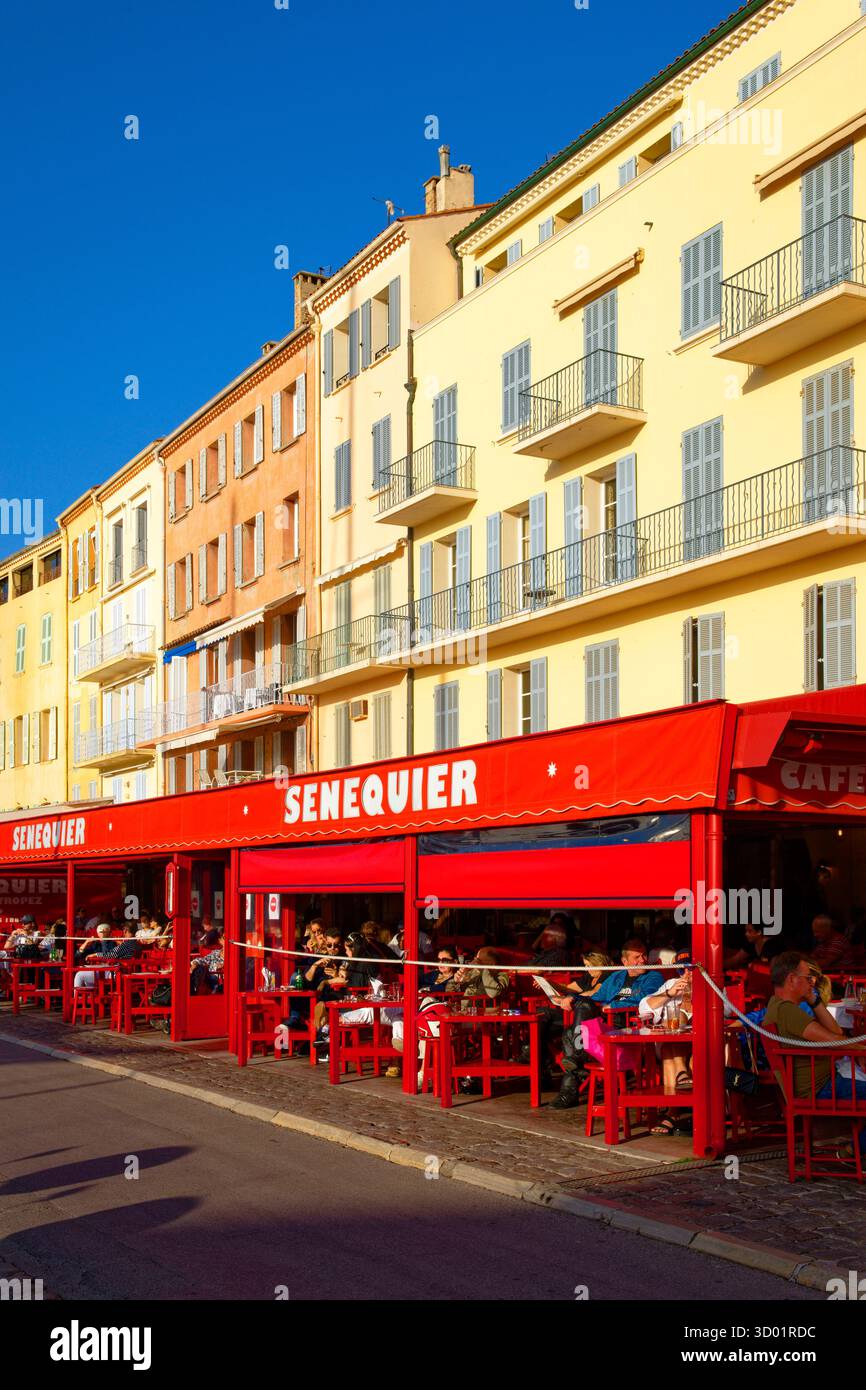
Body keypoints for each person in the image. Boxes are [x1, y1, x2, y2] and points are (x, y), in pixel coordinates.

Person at [764, 950, 866, 1165]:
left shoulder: (779, 1006)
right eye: (808, 978)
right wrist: (860, 1048)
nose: (813, 983)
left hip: (821, 1082)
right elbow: (835, 1041)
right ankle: (853, 1152)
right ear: (792, 979)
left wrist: (813, 1000)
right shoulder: (787, 1011)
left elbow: (836, 1034)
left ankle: (855, 1151)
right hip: (820, 1087)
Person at [190, 929, 224, 995]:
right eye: (224, 938)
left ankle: (196, 992)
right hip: (209, 981)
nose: (228, 940)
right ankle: (195, 991)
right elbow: (203, 960)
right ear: (220, 940)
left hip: (223, 984)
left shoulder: (234, 956)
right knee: (199, 968)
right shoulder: (216, 953)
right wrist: (195, 963)